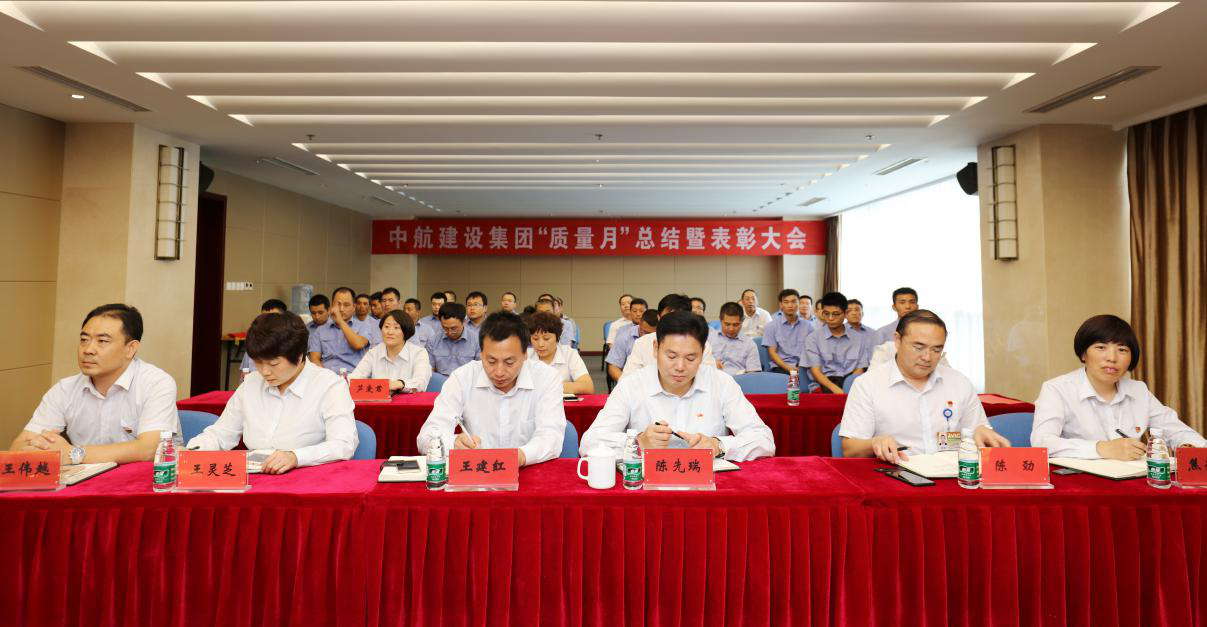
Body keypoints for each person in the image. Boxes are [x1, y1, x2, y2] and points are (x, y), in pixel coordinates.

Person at [582, 312, 775, 461]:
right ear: (656, 349)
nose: (680, 367)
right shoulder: (632, 385)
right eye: (671, 356)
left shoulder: (721, 383)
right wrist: (638, 443)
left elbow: (763, 440)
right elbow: (590, 442)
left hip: (708, 487)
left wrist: (719, 446)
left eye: (691, 358)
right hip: (649, 488)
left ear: (702, 353)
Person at [187, 312, 357, 473]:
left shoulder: (329, 386)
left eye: (273, 364)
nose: (264, 372)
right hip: (255, 480)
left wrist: (296, 457)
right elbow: (221, 434)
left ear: (299, 356)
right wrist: (191, 453)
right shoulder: (251, 384)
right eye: (258, 362)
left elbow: (343, 443)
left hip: (309, 478)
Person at [10, 304, 180, 465]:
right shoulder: (65, 389)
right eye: (84, 339)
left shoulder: (156, 383)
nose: (88, 349)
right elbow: (18, 448)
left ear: (131, 348)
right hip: (84, 479)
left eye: (102, 341)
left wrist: (72, 454)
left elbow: (150, 449)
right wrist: (41, 446)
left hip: (144, 480)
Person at [838, 310, 1009, 462]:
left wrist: (980, 433)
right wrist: (874, 443)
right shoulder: (868, 385)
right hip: (896, 474)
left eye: (936, 350)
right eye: (918, 347)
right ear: (897, 340)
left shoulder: (959, 383)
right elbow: (850, 450)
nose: (927, 357)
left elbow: (977, 431)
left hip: (953, 475)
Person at [1031, 314, 1206, 459]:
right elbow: (1042, 443)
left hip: (1131, 479)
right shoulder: (1056, 389)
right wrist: (1101, 448)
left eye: (1122, 350)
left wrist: (1188, 446)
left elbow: (1177, 431)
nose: (1112, 358)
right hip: (1080, 482)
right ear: (1084, 354)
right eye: (1101, 347)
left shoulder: (1138, 391)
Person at [417, 312, 567, 467]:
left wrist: (520, 456)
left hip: (527, 471)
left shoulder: (546, 378)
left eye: (509, 362)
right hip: (478, 473)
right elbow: (426, 438)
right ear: (481, 354)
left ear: (525, 355)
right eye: (491, 361)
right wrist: (453, 442)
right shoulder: (462, 378)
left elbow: (551, 437)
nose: (499, 372)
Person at [620, 294, 716, 379]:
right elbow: (627, 380)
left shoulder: (702, 345)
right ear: (658, 317)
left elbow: (710, 379)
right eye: (668, 318)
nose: (673, 323)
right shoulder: (642, 343)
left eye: (690, 358)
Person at [350, 309, 433, 392]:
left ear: (406, 331)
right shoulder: (373, 353)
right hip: (379, 400)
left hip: (407, 399)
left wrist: (399, 384)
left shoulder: (419, 353)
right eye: (386, 327)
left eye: (396, 328)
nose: (390, 332)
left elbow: (421, 382)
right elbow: (354, 378)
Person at [804, 292, 868, 394]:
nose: (830, 318)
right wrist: (837, 390)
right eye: (826, 313)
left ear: (845, 313)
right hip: (824, 383)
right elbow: (815, 371)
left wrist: (848, 387)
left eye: (835, 314)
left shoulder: (858, 338)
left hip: (850, 383)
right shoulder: (813, 338)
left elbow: (859, 369)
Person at [308, 287, 382, 373]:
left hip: (353, 376)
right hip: (327, 376)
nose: (341, 309)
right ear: (332, 306)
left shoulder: (364, 326)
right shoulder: (320, 330)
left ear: (354, 307)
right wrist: (327, 376)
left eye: (346, 305)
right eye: (338, 304)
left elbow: (358, 344)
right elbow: (314, 359)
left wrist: (340, 321)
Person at [527, 312, 593, 394]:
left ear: (557, 338)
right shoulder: (525, 356)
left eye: (546, 339)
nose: (540, 344)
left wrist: (546, 386)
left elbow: (587, 386)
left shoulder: (569, 354)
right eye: (535, 339)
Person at [761, 289, 812, 374]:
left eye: (794, 302)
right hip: (781, 367)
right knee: (791, 380)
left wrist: (801, 366)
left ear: (798, 303)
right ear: (781, 304)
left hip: (803, 366)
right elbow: (772, 353)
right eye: (786, 302)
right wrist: (789, 369)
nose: (790, 305)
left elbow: (810, 350)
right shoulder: (772, 326)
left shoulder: (808, 326)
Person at [708, 302, 762, 376]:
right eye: (727, 324)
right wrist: (711, 363)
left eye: (736, 325)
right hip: (711, 377)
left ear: (742, 321)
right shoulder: (709, 338)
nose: (731, 329)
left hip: (737, 380)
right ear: (720, 320)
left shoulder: (750, 345)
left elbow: (753, 375)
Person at [427, 302, 480, 375]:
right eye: (445, 328)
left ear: (464, 322)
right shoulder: (433, 341)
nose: (449, 332)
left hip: (466, 380)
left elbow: (479, 370)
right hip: (441, 380)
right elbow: (430, 370)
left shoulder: (477, 341)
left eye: (453, 328)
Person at [606, 309, 658, 382]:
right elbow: (613, 367)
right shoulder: (624, 337)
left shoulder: (662, 339)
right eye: (642, 331)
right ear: (639, 323)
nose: (644, 336)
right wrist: (626, 383)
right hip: (629, 379)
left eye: (649, 334)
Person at [239, 298, 288, 372]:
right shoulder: (254, 341)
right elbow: (244, 372)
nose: (268, 322)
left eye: (273, 317)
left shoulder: (289, 342)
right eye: (264, 317)